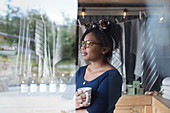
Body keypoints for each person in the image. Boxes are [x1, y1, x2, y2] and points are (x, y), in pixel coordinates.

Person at [75, 19, 123, 113]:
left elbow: (95, 111)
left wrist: (70, 108)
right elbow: (63, 100)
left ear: (104, 49)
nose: (82, 47)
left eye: (88, 44)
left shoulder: (112, 76)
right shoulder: (81, 71)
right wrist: (72, 103)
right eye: (82, 43)